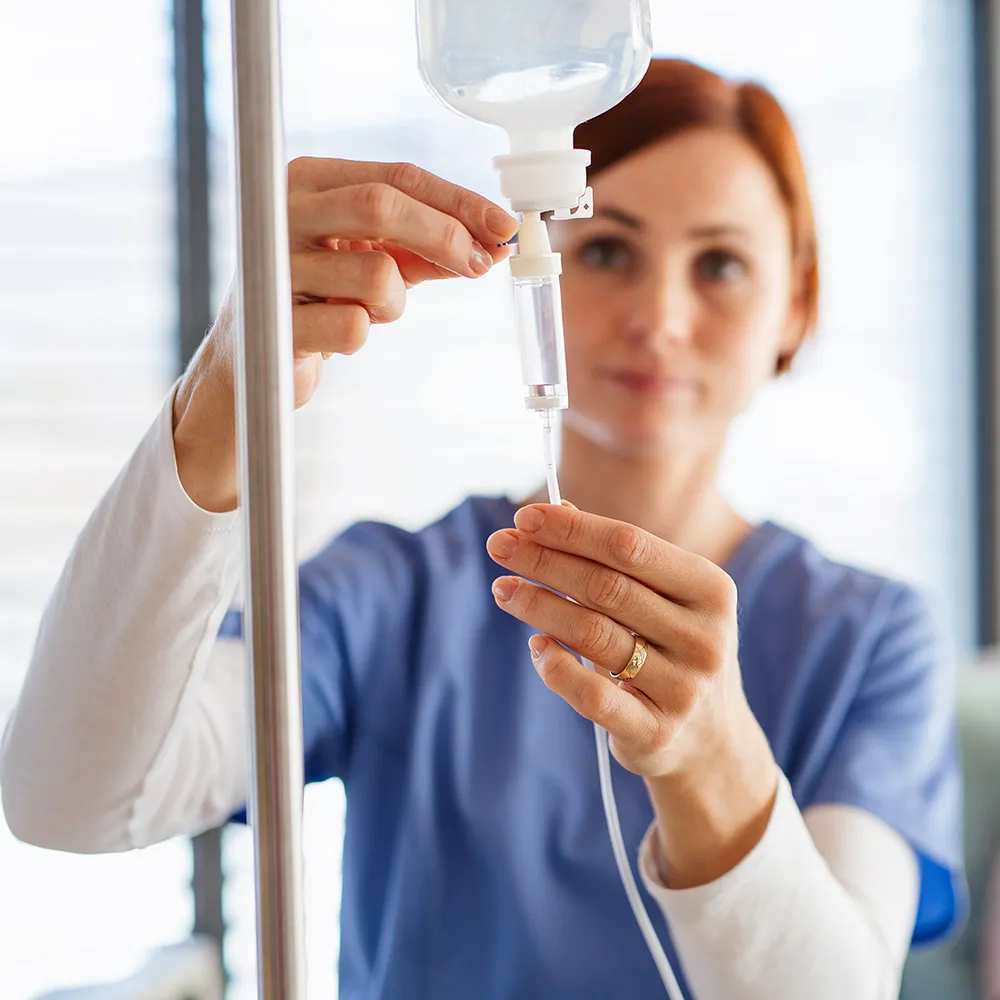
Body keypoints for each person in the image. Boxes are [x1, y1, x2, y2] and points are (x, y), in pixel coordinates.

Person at [0, 59, 963, 999]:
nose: (660, 317)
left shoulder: (871, 642)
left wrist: (711, 756)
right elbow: (71, 797)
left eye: (719, 264)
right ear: (534, 263)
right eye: (608, 250)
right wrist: (225, 393)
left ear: (794, 303)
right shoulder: (394, 596)